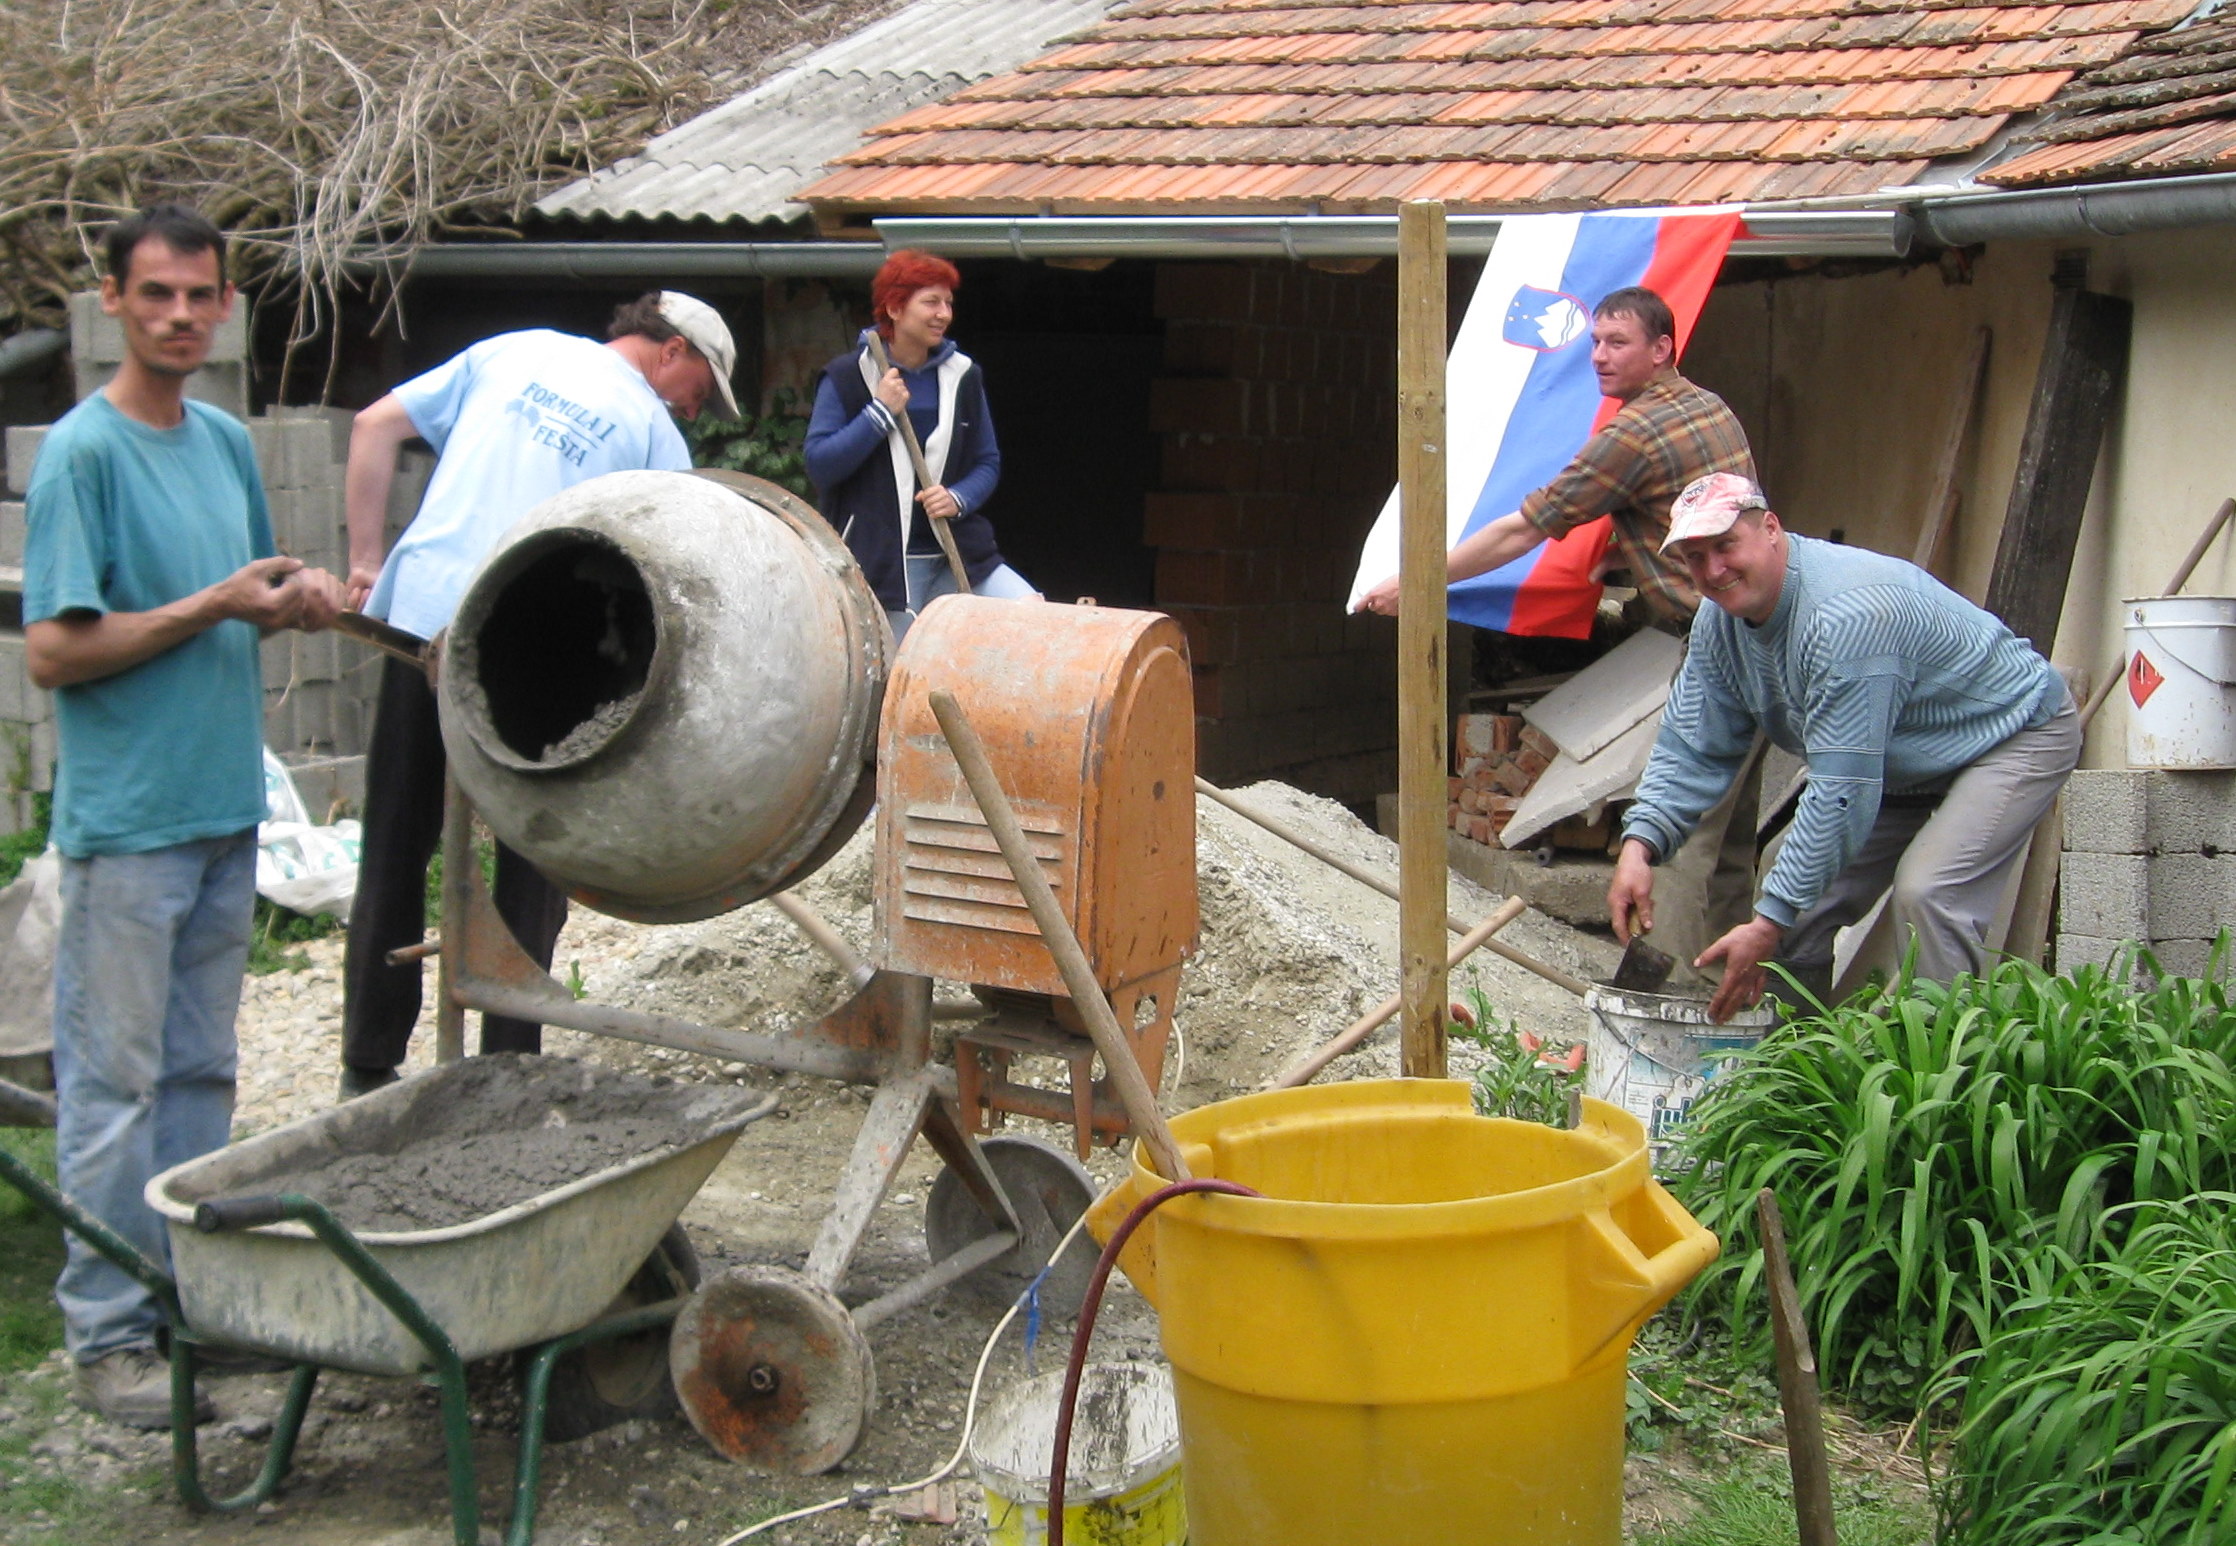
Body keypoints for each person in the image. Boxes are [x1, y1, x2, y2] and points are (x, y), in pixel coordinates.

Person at [23, 204, 346, 1426]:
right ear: (113, 299)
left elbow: (246, 595)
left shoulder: (220, 440)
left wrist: (299, 596)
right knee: (112, 1087)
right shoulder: (82, 454)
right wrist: (212, 602)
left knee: (202, 1074)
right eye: (154, 293)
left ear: (224, 307)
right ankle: (108, 1336)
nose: (178, 315)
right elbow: (55, 651)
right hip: (128, 826)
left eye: (198, 295)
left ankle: (190, 1306)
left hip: (221, 808)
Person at [336, 292, 740, 1098]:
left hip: (421, 613)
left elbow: (373, 425)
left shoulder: (512, 348)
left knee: (396, 842)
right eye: (701, 388)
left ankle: (368, 1065)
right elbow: (673, 568)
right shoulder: (652, 430)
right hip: (528, 649)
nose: (695, 409)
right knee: (533, 853)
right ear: (672, 350)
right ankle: (508, 1061)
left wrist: (366, 561)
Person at [1354, 287, 1761, 979]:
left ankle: (1671, 999)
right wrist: (1626, 551)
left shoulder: (1632, 435)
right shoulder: (1709, 406)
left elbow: (1522, 528)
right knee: (1729, 840)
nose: (1598, 356)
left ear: (1662, 349)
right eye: (1595, 341)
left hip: (1715, 649)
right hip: (1758, 635)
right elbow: (1686, 512)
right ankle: (1730, 994)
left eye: (1618, 342)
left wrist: (1419, 579)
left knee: (1680, 833)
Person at [1609, 473, 2081, 1023]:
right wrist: (1639, 845)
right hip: (1905, 756)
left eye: (1726, 545)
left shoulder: (1844, 617)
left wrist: (1769, 922)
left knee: (1929, 892)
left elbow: (1842, 790)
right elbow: (1693, 743)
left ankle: (1941, 1064)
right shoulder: (1721, 621)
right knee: (1792, 889)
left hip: (2010, 731)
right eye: (1695, 557)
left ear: (1770, 529)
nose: (1714, 570)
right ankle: (1797, 1062)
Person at [804, 249, 1031, 642]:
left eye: (948, 303)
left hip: (958, 553)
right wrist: (879, 413)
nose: (943, 314)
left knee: (1031, 615)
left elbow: (987, 461)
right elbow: (820, 466)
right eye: (931, 302)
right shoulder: (846, 376)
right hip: (881, 565)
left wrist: (958, 498)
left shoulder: (964, 375)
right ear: (894, 308)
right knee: (903, 664)